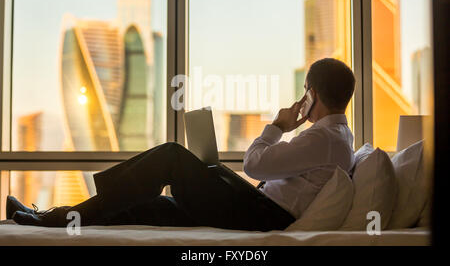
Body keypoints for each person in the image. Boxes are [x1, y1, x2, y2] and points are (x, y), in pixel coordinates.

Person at [7, 58, 356, 232]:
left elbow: (254, 164)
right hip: (257, 206)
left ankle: (53, 218)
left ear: (312, 92)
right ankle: (61, 216)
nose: (301, 97)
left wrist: (277, 127)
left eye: (305, 90)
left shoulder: (324, 138)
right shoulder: (334, 137)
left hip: (264, 216)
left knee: (172, 155)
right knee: (151, 205)